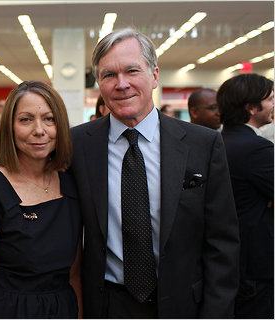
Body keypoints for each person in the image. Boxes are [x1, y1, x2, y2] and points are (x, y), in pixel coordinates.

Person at [70, 28, 239, 318]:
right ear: (99, 83)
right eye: (109, 75)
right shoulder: (76, 145)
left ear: (155, 75)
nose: (121, 84)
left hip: (185, 305)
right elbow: (35, 180)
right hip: (108, 305)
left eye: (132, 71)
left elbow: (222, 243)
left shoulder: (203, 144)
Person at [0, 81, 82, 318]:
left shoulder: (70, 187)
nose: (39, 130)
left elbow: (74, 277)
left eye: (49, 119)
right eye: (26, 119)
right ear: (10, 128)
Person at [217, 73, 274, 319]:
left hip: (228, 259)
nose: (274, 104)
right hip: (255, 265)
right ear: (251, 107)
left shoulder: (218, 141)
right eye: (271, 99)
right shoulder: (256, 149)